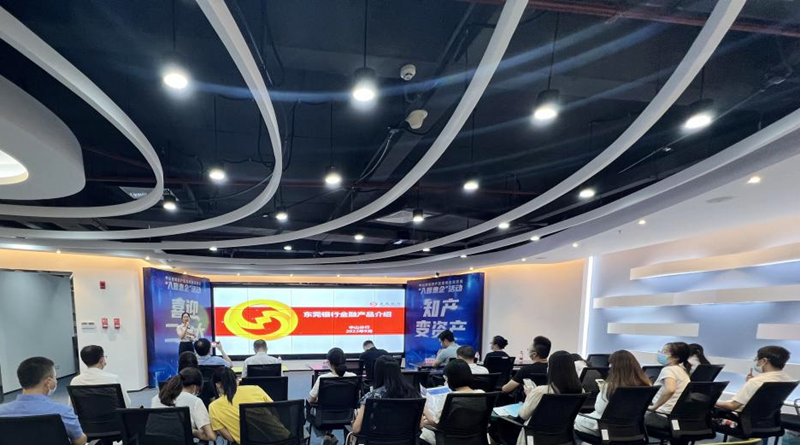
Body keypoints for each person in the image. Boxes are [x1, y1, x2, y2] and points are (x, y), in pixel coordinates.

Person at [0, 357, 87, 445]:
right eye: (55, 377)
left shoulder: (2, 411)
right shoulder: (62, 411)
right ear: (49, 382)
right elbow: (79, 441)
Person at [575, 350, 651, 435]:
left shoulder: (610, 387)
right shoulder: (646, 386)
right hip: (632, 430)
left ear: (614, 367)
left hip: (606, 430)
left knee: (574, 419)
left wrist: (601, 392)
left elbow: (600, 409)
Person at [516, 350, 583, 445]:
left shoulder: (541, 391)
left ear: (551, 369)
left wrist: (529, 396)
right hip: (562, 439)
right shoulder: (581, 391)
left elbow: (523, 415)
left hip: (534, 438)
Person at [420, 359, 484, 445]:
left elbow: (436, 424)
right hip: (475, 439)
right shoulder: (482, 394)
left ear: (450, 379)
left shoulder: (450, 397)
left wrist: (425, 409)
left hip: (448, 440)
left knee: (421, 431)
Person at [209, 367, 279, 444]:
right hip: (279, 438)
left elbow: (230, 438)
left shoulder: (214, 407)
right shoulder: (255, 389)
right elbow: (275, 410)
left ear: (217, 385)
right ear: (237, 380)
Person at [716, 346, 796, 412]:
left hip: (742, 418)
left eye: (757, 360)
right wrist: (752, 384)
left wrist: (712, 402)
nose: (756, 362)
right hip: (765, 419)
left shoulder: (756, 382)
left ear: (764, 361)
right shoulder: (788, 379)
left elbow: (732, 406)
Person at [352, 356, 419, 433]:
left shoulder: (371, 397)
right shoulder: (412, 393)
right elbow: (420, 424)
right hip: (406, 438)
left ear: (377, 373)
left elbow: (356, 429)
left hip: (378, 438)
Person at [151, 367, 216, 442]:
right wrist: (194, 432)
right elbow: (211, 436)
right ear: (195, 387)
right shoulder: (195, 401)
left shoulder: (156, 398)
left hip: (155, 441)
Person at [309, 347, 358, 445]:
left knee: (309, 412)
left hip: (325, 418)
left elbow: (310, 400)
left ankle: (327, 435)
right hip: (348, 417)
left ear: (329, 362)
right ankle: (347, 440)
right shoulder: (353, 377)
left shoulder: (323, 378)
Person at [645, 342, 692, 431]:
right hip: (674, 417)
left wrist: (654, 407)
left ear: (676, 357)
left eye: (665, 352)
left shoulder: (668, 370)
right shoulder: (683, 370)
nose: (660, 353)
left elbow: (670, 389)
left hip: (661, 416)